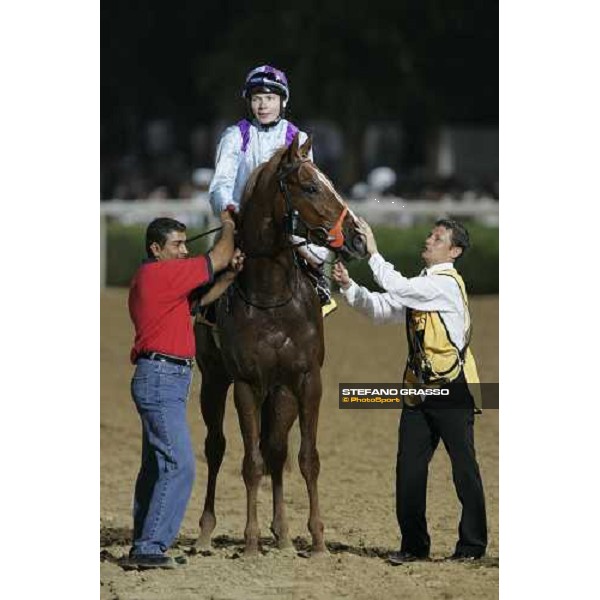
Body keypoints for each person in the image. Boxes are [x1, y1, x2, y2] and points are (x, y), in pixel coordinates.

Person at [332, 218, 487, 564]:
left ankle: (472, 546)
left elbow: (396, 288)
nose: (428, 239)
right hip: (417, 389)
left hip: (453, 388)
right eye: (431, 234)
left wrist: (372, 251)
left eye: (437, 237)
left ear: (454, 251)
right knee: (409, 470)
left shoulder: (444, 284)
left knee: (464, 468)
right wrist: (349, 288)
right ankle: (414, 546)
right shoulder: (422, 284)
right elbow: (382, 309)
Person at [127, 211, 242, 569]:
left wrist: (232, 276)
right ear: (156, 249)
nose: (182, 251)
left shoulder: (154, 279)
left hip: (159, 376)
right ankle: (150, 546)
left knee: (156, 465)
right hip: (162, 378)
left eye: (184, 244)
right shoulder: (162, 273)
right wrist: (229, 225)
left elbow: (200, 301)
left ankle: (142, 540)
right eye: (176, 245)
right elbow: (219, 256)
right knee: (181, 465)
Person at [208, 64, 337, 317]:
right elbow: (220, 184)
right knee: (217, 262)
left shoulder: (297, 138)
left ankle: (319, 290)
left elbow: (304, 187)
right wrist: (230, 209)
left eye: (269, 98)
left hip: (287, 223)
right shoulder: (235, 135)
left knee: (318, 255)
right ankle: (208, 312)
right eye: (257, 99)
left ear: (282, 101)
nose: (263, 105)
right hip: (243, 222)